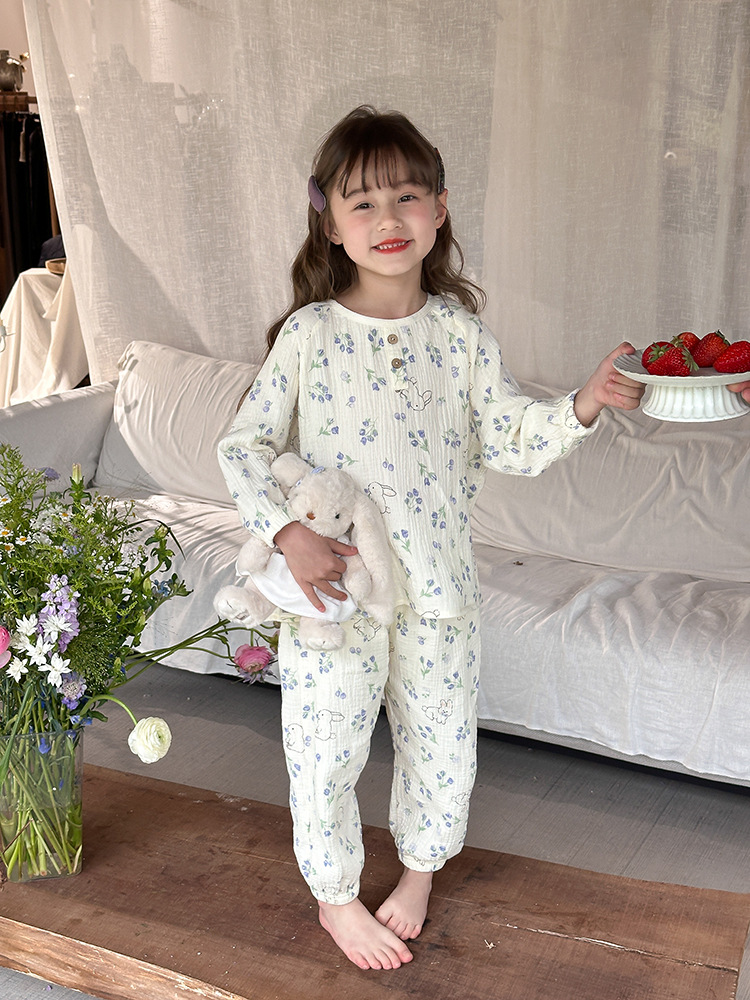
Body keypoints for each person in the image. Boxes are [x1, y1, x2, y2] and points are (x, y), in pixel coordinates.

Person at [217, 105, 644, 972]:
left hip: (439, 589)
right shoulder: (310, 335)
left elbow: (512, 437)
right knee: (324, 747)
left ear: (439, 210)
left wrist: (586, 403)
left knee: (442, 744)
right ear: (330, 223)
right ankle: (336, 898)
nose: (388, 218)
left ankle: (419, 873)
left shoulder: (459, 336)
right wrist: (287, 532)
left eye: (407, 197)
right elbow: (243, 446)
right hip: (335, 592)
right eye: (363, 202)